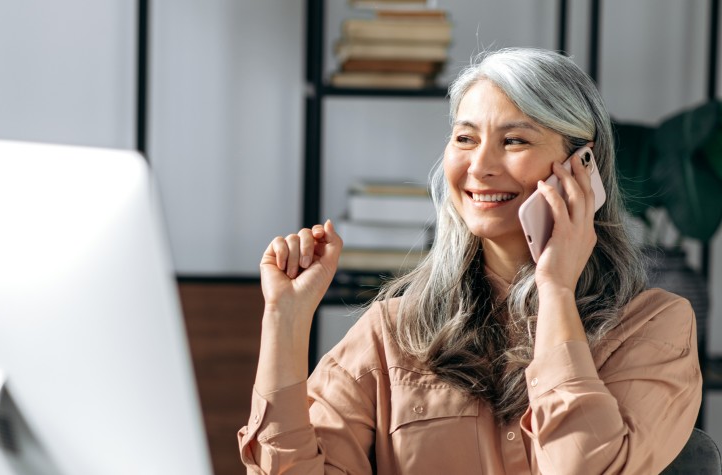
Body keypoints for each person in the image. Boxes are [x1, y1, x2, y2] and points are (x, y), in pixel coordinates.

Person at [238, 48, 702, 474]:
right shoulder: (391, 334)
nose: (479, 166)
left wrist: (556, 288)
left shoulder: (654, 327)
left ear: (584, 166)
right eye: (465, 138)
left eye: (514, 140)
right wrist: (286, 320)